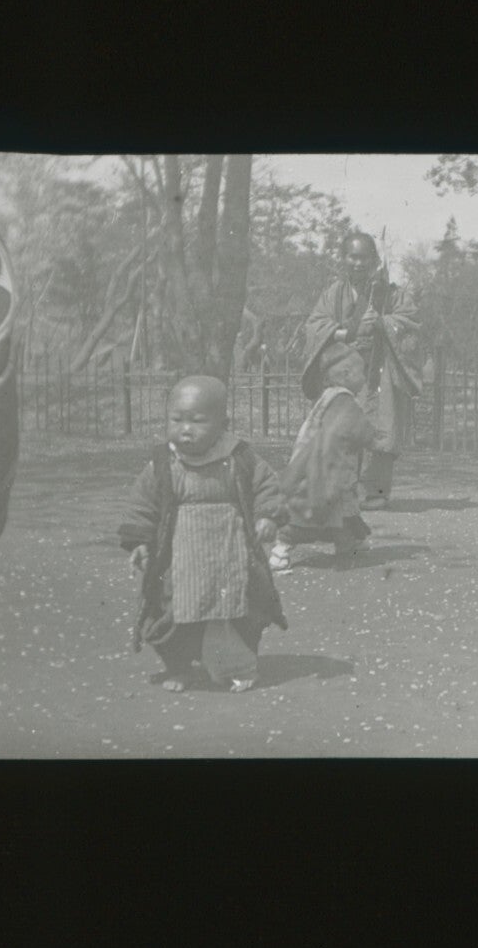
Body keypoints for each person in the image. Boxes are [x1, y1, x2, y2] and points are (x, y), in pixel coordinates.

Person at [117, 375, 287, 692]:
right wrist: (140, 542)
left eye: (197, 421)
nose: (185, 429)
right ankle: (179, 667)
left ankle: (239, 667)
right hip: (180, 560)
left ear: (223, 423)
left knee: (238, 611)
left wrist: (268, 516)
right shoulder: (163, 464)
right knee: (173, 611)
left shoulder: (239, 458)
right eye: (176, 419)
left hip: (231, 555)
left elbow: (266, 485)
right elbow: (143, 504)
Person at [301, 231, 420, 510]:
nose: (358, 263)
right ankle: (345, 490)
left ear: (374, 259)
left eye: (364, 257)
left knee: (382, 427)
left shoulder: (392, 294)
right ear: (343, 258)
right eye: (352, 256)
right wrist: (345, 331)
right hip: (345, 369)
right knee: (343, 428)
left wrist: (382, 322)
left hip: (381, 369)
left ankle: (377, 491)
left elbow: (411, 322)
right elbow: (314, 324)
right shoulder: (333, 293)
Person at [270, 346, 376, 572]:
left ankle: (283, 547)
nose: (365, 378)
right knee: (334, 509)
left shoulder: (327, 397)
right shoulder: (345, 402)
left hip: (312, 460)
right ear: (346, 374)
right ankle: (343, 546)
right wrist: (372, 437)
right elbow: (357, 430)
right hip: (329, 467)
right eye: (361, 373)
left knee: (315, 507)